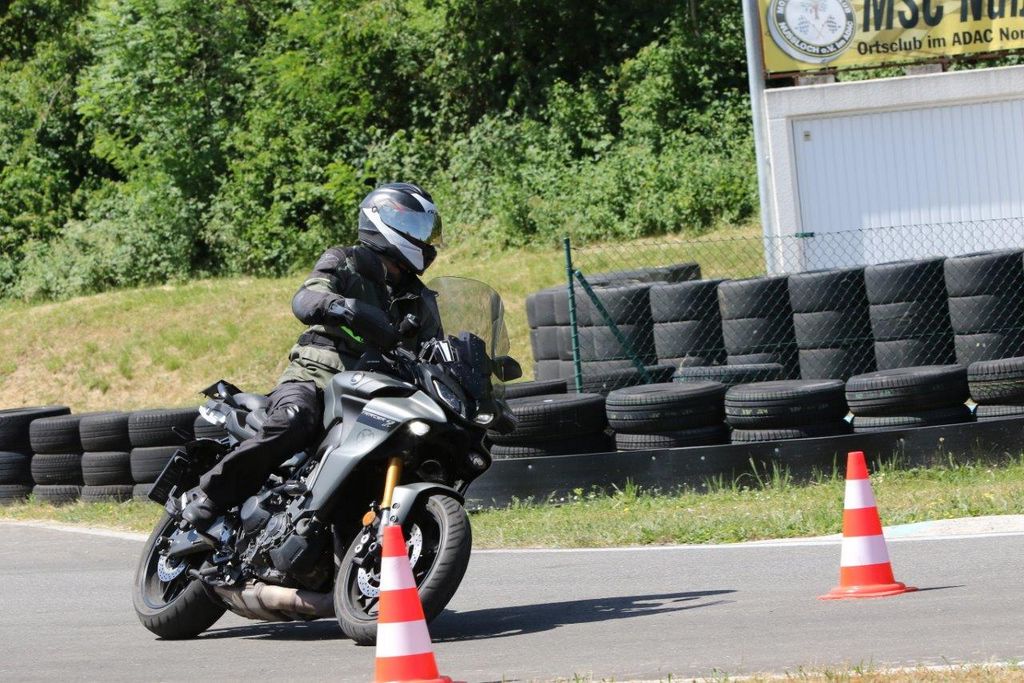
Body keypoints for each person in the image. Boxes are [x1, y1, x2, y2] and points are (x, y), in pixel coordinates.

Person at [182, 182, 444, 528]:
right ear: (383, 220)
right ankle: (209, 495)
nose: (423, 239)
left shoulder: (421, 299)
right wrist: (341, 307)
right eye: (414, 226)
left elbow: (437, 351)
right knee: (295, 418)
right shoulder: (347, 261)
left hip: (376, 395)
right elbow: (307, 297)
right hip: (316, 378)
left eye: (426, 230)